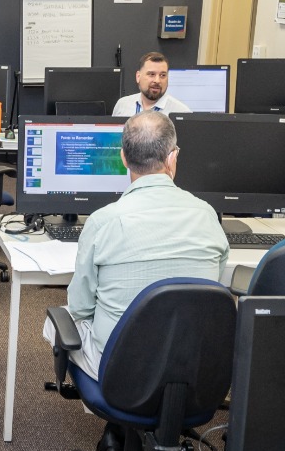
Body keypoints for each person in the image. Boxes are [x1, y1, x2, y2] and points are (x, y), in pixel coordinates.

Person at [64, 112, 229, 376]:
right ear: (172, 157)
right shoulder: (207, 214)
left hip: (122, 370)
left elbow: (80, 307)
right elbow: (212, 286)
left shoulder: (102, 221)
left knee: (60, 321)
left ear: (123, 159)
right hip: (191, 366)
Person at [112, 52, 189, 116]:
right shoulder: (122, 105)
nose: (157, 80)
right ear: (138, 77)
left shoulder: (181, 112)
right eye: (151, 74)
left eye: (162, 75)